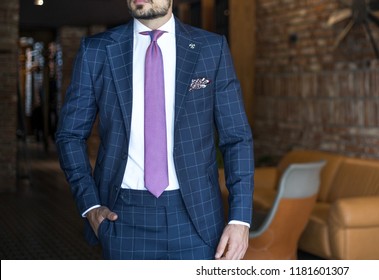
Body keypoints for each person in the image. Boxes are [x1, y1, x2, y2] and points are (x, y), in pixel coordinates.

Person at [56, 0, 254, 260]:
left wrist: (240, 219)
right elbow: (69, 135)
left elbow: (236, 138)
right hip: (122, 218)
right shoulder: (98, 51)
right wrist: (90, 206)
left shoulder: (210, 48)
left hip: (198, 219)